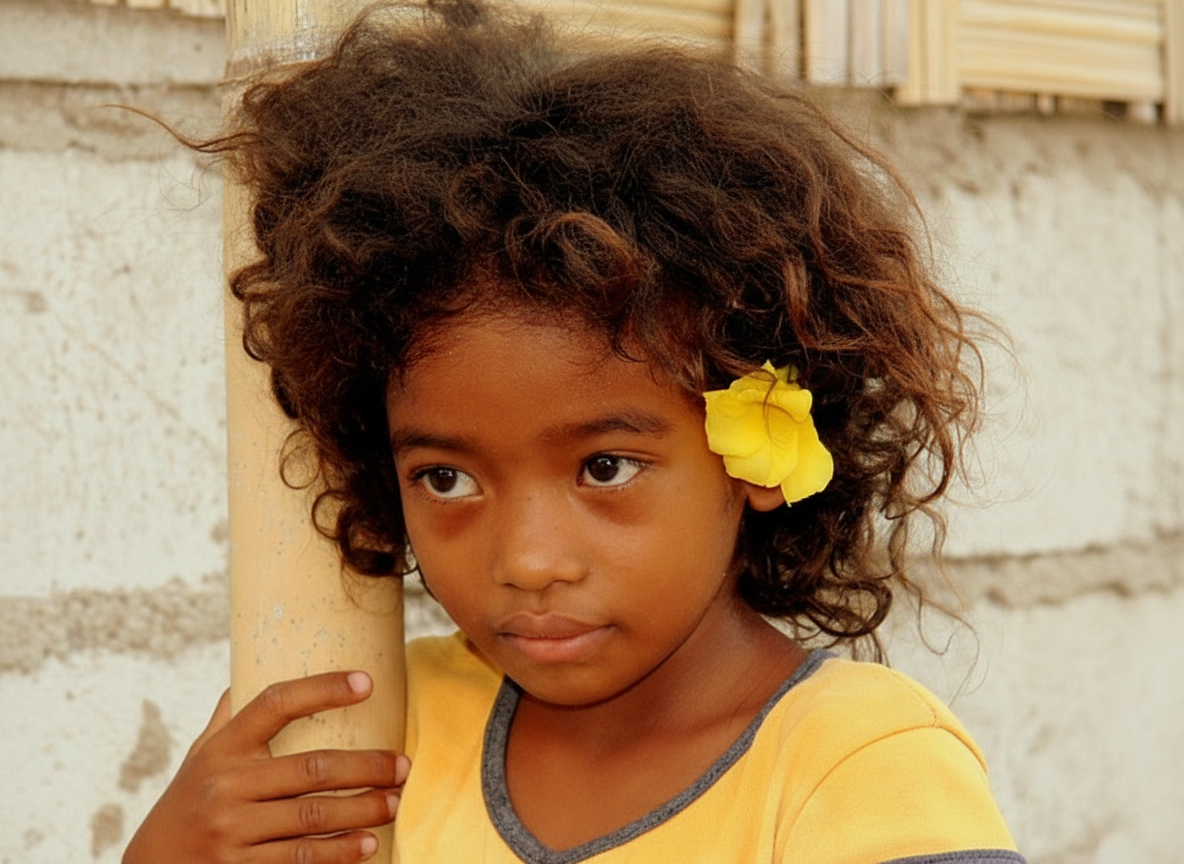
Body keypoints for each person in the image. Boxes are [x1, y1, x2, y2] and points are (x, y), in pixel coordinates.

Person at [125, 1, 1025, 862]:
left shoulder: (853, 762)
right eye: (446, 479)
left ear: (759, 444)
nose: (528, 558)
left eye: (604, 466)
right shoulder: (382, 727)